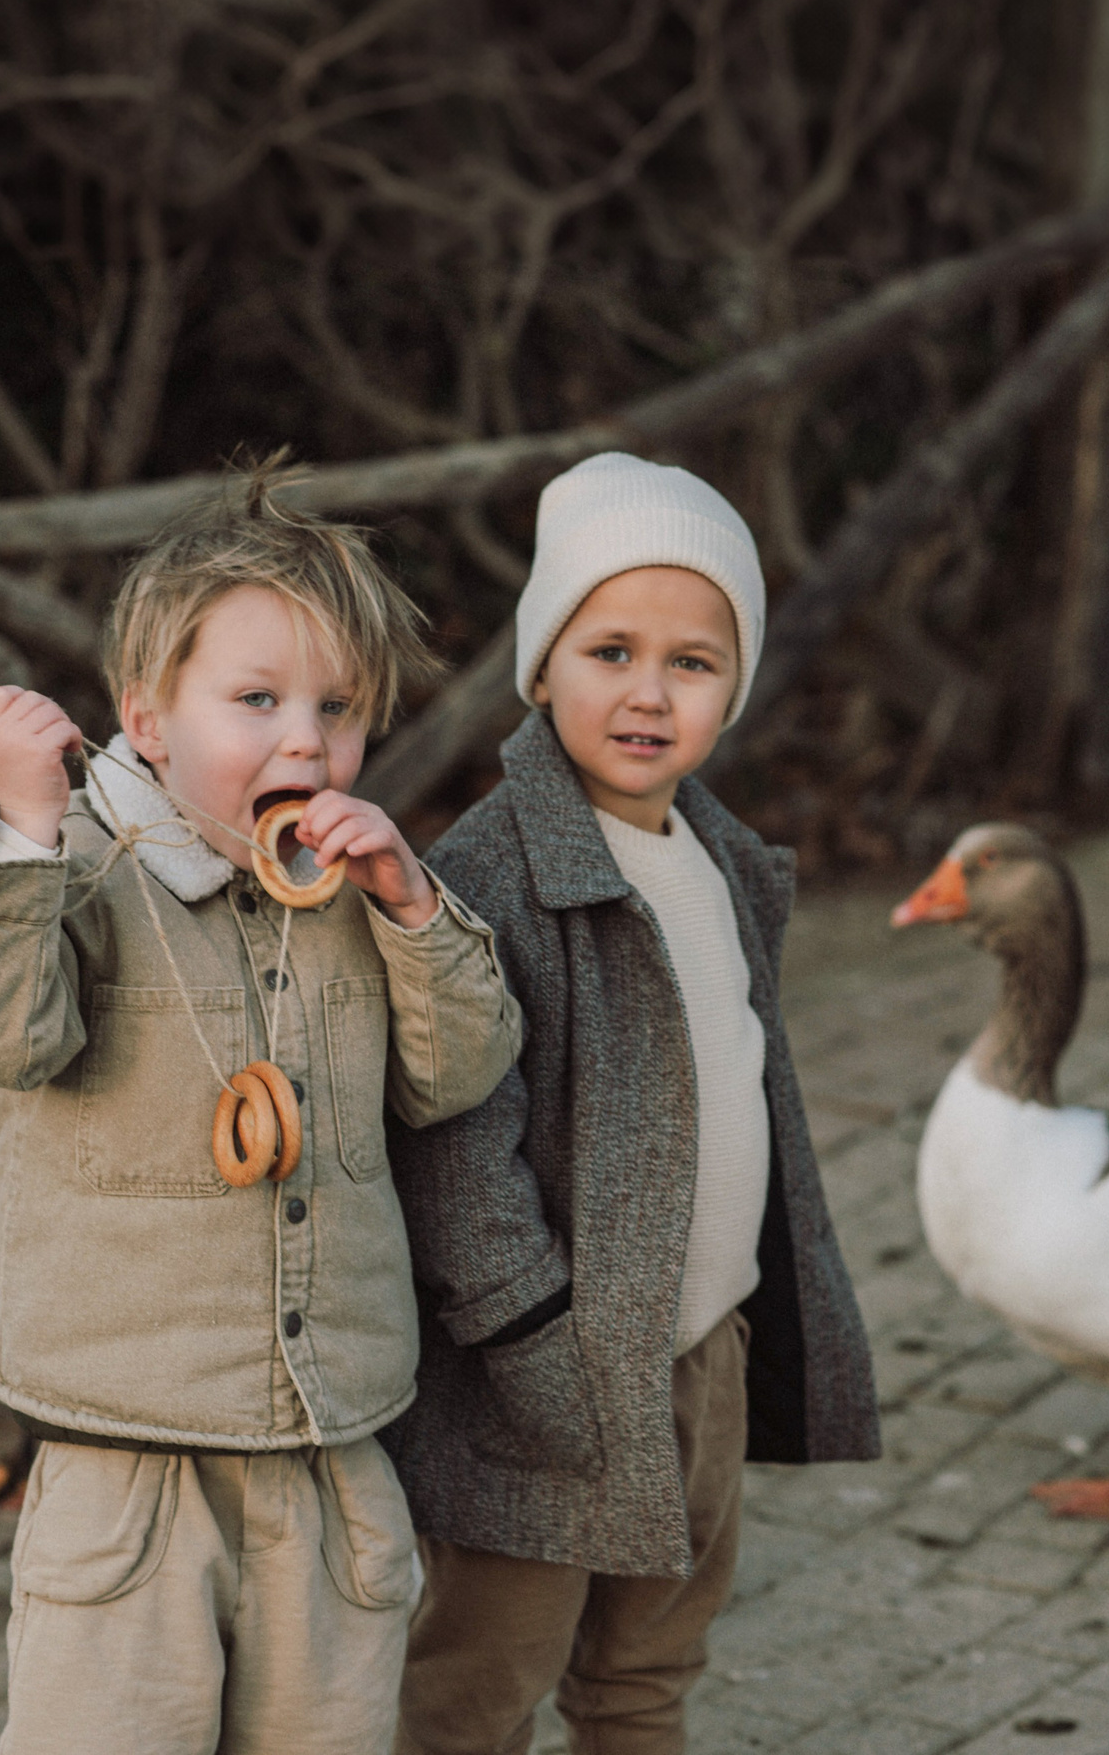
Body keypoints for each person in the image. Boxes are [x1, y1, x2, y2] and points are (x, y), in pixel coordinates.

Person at [0, 464, 523, 1755]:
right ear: (149, 717)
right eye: (258, 700)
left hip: (328, 1449)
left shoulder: (355, 894)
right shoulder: (70, 867)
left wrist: (414, 907)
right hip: (127, 1461)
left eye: (338, 708)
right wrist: (21, 825)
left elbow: (457, 1071)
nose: (307, 741)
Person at [386, 451, 881, 1755]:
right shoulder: (490, 870)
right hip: (544, 1367)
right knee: (476, 1691)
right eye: (609, 650)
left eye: (693, 662)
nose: (649, 692)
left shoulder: (718, 858)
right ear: (543, 667)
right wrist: (531, 1328)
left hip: (700, 1349)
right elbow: (451, 1132)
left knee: (646, 1674)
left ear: (735, 687)